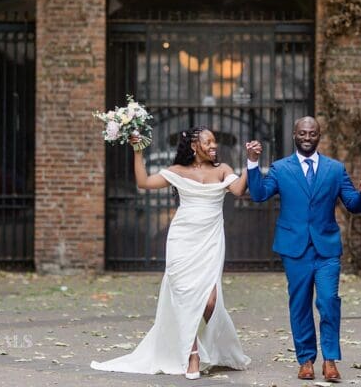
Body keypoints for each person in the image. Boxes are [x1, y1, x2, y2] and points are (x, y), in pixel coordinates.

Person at [91, 126, 251, 380]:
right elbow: (143, 183)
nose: (214, 146)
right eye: (208, 142)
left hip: (209, 241)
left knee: (210, 302)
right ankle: (193, 355)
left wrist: (251, 162)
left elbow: (240, 190)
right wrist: (137, 151)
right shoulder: (177, 172)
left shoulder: (222, 170)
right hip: (181, 241)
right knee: (185, 297)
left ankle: (223, 349)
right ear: (194, 146)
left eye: (214, 142)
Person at [245, 116, 361, 382]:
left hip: (326, 248)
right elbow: (258, 195)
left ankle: (330, 361)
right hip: (295, 249)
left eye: (312, 133)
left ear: (319, 136)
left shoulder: (335, 169)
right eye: (302, 133)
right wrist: (253, 163)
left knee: (328, 302)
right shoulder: (281, 169)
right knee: (300, 305)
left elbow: (351, 203)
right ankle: (305, 360)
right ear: (294, 134)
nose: (307, 137)